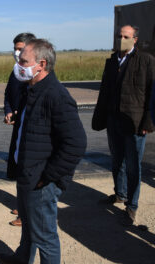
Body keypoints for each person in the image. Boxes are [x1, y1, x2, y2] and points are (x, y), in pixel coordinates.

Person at [0, 39, 87, 264]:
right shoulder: (31, 90)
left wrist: (48, 177)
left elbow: (76, 143)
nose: (18, 64)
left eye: (24, 61)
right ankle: (22, 259)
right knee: (29, 227)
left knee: (45, 236)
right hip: (27, 174)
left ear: (41, 64)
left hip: (41, 181)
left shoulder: (56, 96)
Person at [92, 25, 155, 225]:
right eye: (119, 36)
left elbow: (153, 93)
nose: (121, 39)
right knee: (117, 161)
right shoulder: (111, 61)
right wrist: (101, 117)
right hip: (113, 120)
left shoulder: (146, 61)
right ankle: (119, 194)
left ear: (135, 39)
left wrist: (148, 121)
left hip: (134, 122)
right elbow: (104, 91)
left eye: (125, 36)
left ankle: (132, 205)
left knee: (133, 166)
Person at [4, 32, 36, 228]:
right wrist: (9, 111)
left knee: (27, 169)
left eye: (21, 48)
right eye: (15, 48)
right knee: (18, 165)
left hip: (31, 128)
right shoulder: (17, 70)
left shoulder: (34, 73)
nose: (17, 52)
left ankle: (27, 213)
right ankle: (21, 204)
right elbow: (8, 93)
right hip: (18, 125)